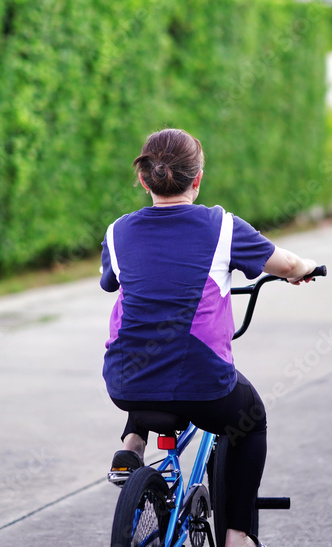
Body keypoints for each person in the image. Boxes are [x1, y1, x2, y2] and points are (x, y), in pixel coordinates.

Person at [100, 128, 318, 547]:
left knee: (146, 347)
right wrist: (304, 267)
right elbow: (286, 264)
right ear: (197, 180)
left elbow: (112, 283)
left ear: (144, 180)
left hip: (125, 382)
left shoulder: (117, 232)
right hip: (202, 384)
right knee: (248, 420)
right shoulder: (221, 227)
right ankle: (237, 535)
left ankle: (132, 444)